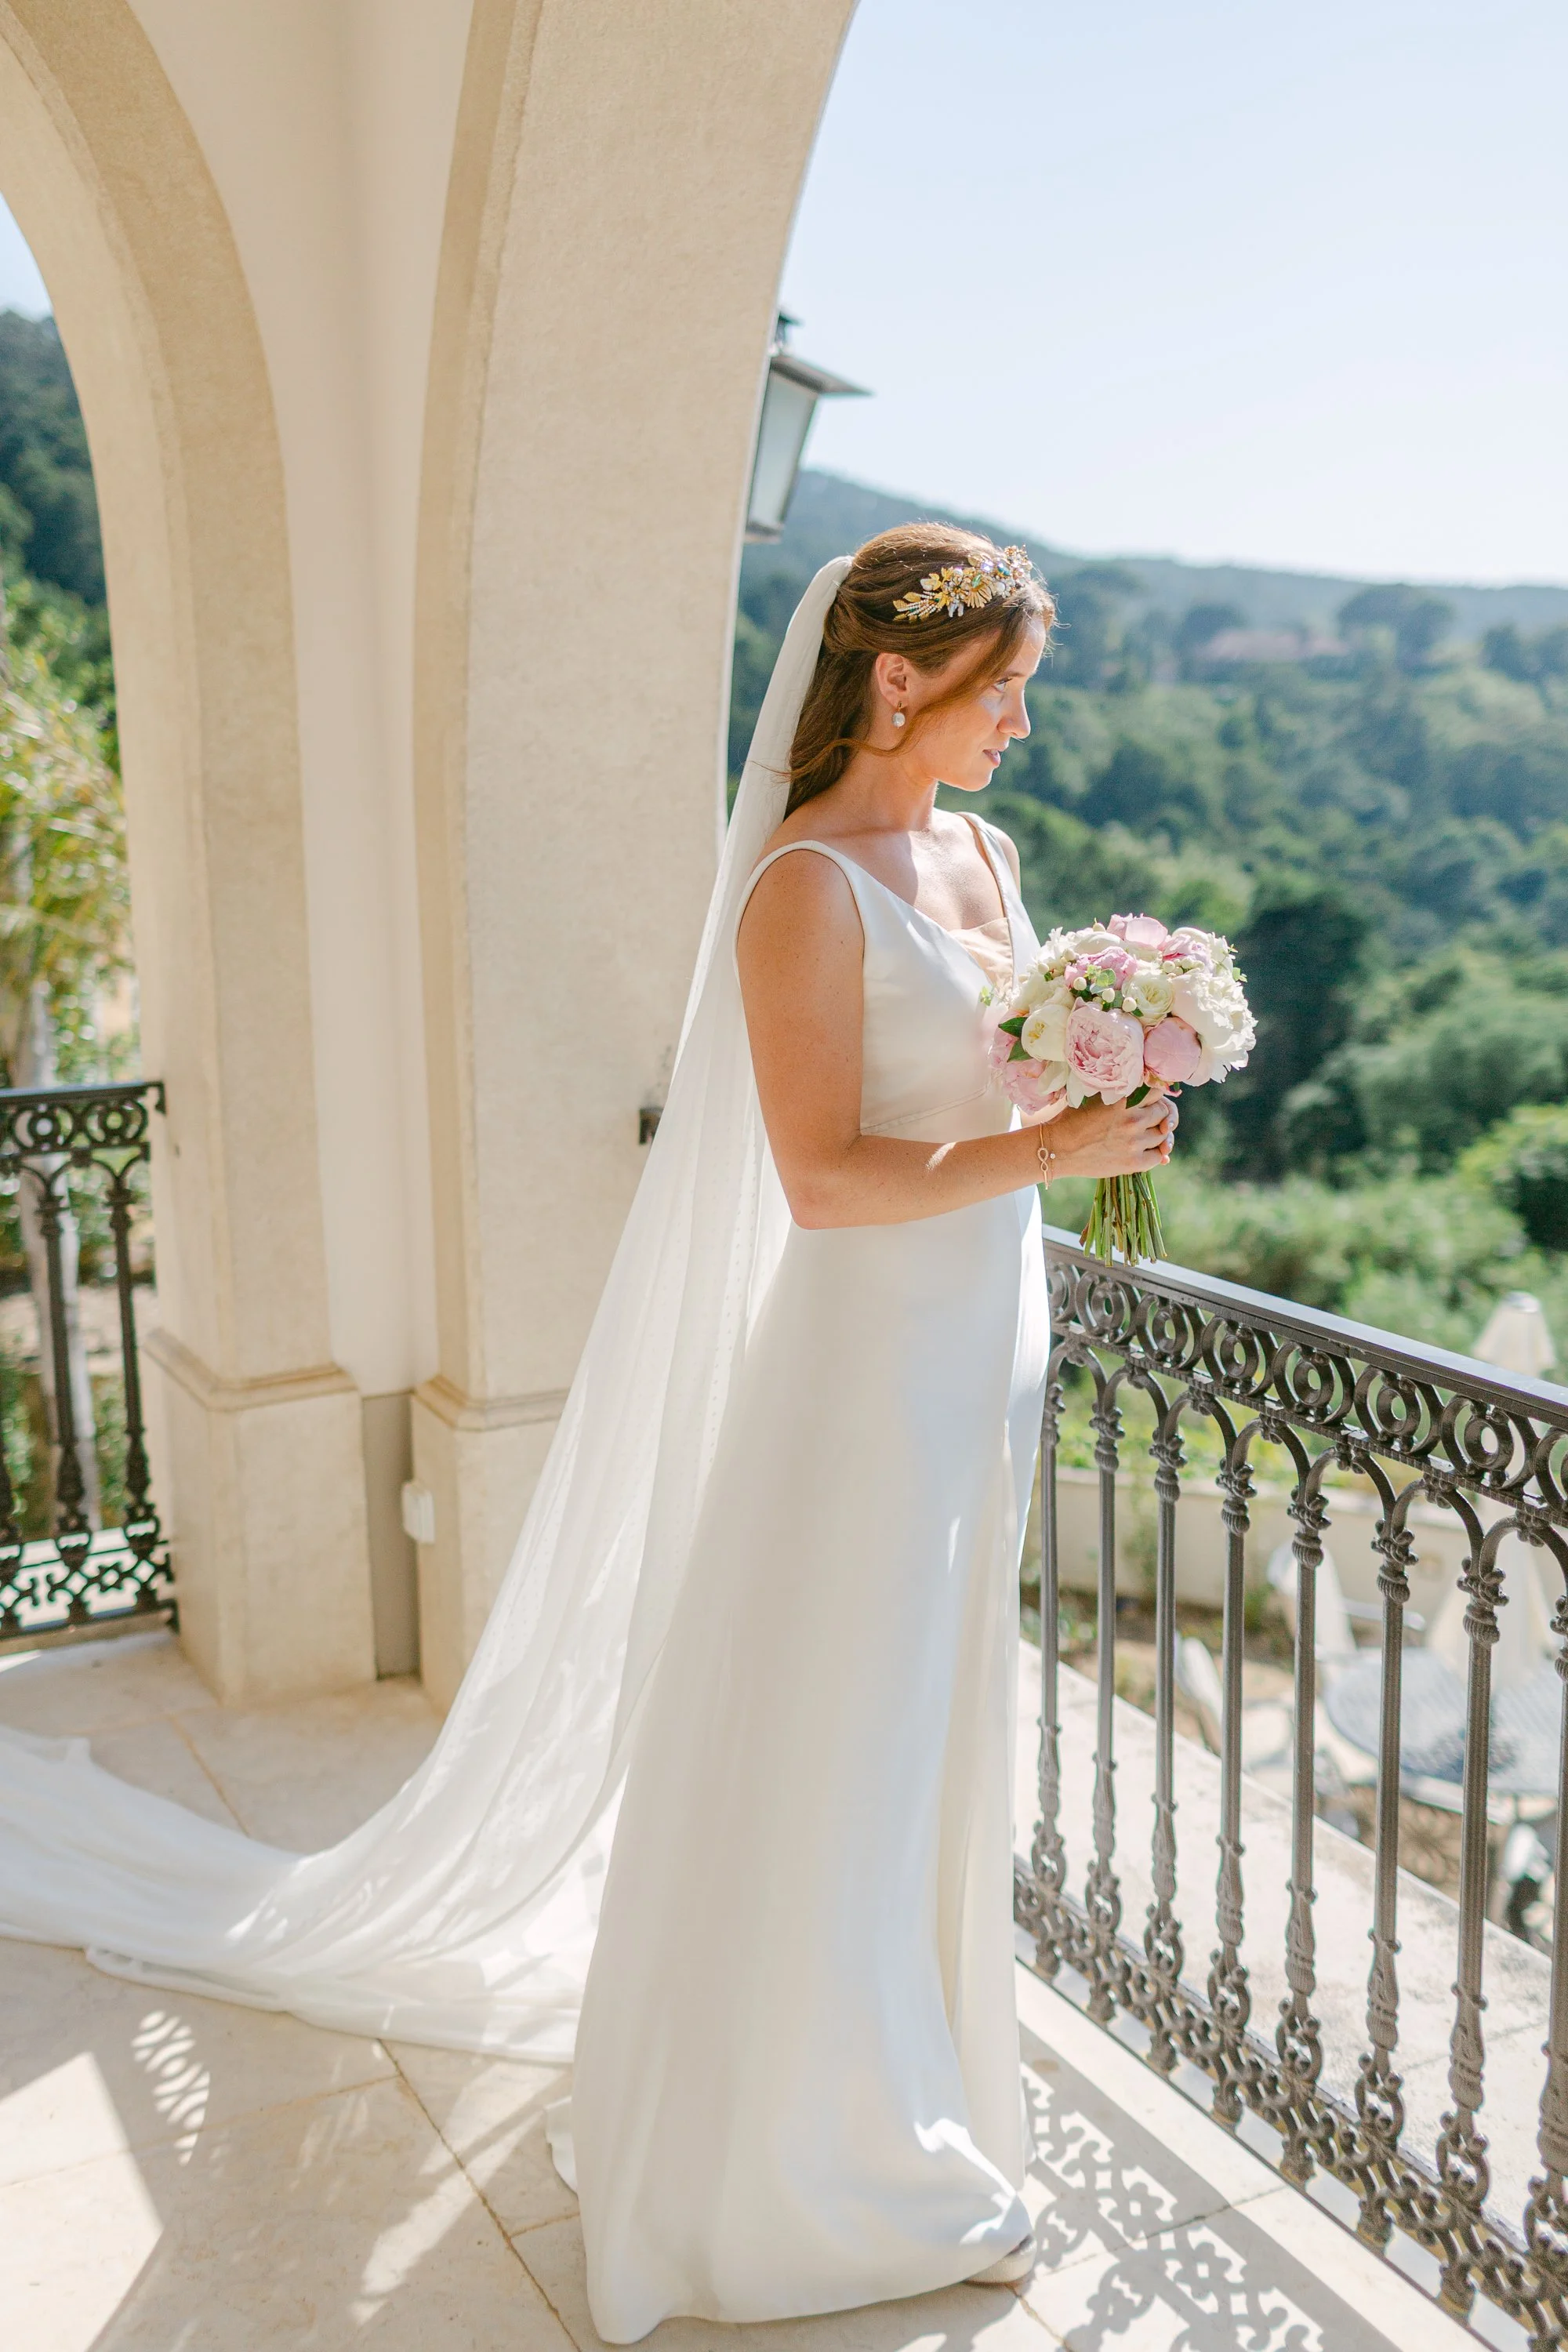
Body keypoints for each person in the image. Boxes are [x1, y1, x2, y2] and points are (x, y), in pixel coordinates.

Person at [0, 528, 1171, 2340]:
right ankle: (796, 2170)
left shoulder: (987, 854)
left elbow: (982, 1075)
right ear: (892, 683)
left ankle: (902, 2088)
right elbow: (823, 1179)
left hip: (977, 1361)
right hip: (863, 1377)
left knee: (920, 1745)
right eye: (1000, 686)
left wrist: (1099, 1075)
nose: (1021, 721)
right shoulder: (803, 889)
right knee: (837, 1752)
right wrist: (1047, 1153)